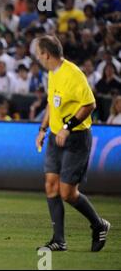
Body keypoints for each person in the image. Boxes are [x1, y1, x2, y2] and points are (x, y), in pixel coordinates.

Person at [34, 35, 110, 252]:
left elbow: (90, 104)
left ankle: (98, 224)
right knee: (50, 185)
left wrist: (67, 128)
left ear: (46, 54)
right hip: (55, 136)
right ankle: (59, 240)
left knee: (67, 192)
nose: (38, 57)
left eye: (39, 53)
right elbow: (52, 103)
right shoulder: (52, 73)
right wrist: (42, 128)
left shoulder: (73, 74)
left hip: (76, 137)